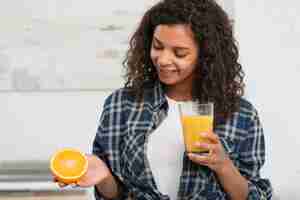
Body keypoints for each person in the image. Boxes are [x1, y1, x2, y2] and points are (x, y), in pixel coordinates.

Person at [55, 0, 273, 199]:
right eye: (158, 46)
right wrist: (103, 177)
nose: (163, 59)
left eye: (179, 53)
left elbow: (255, 196)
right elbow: (116, 195)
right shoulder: (121, 105)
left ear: (206, 56)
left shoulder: (241, 115)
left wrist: (224, 166)